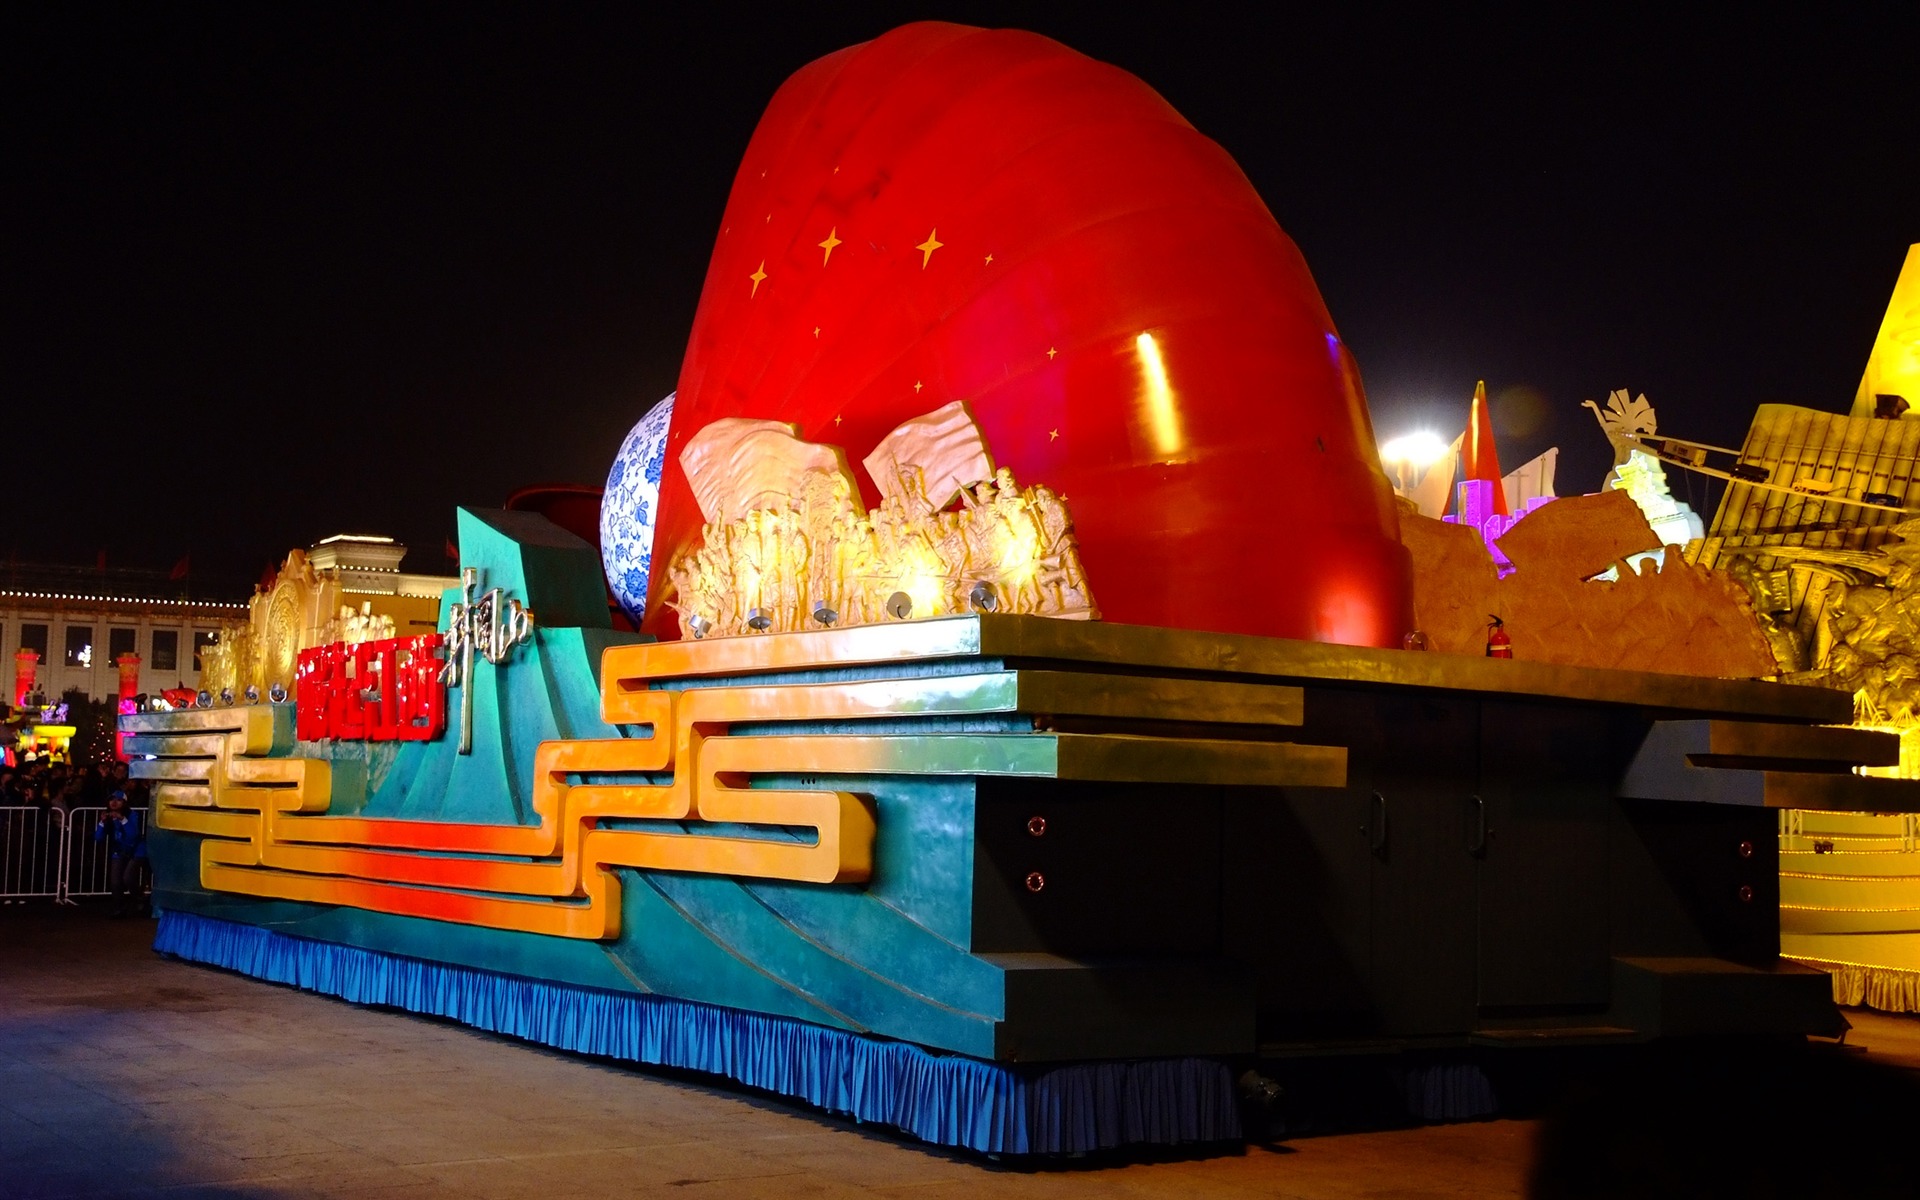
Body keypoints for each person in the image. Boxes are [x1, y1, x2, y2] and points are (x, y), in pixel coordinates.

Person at [93, 792, 146, 917]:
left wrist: (122, 819)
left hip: (136, 850)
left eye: (118, 800)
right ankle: (119, 907)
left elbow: (133, 835)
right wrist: (101, 823)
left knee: (128, 877)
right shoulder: (108, 817)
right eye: (111, 800)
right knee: (115, 881)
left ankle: (140, 900)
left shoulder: (132, 815)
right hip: (119, 850)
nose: (114, 802)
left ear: (124, 803)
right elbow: (98, 838)